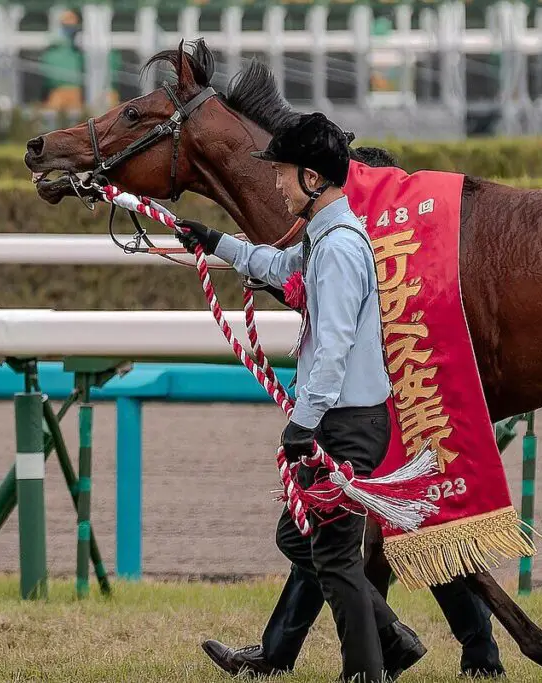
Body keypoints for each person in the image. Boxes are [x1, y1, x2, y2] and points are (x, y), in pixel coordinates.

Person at [174, 111, 426, 683]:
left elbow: (334, 347)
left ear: (314, 179)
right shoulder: (327, 238)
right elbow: (279, 264)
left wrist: (303, 424)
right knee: (301, 539)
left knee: (333, 555)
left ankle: (368, 669)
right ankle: (391, 642)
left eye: (284, 174)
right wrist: (216, 242)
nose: (277, 184)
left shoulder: (338, 248)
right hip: (346, 418)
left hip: (344, 422)